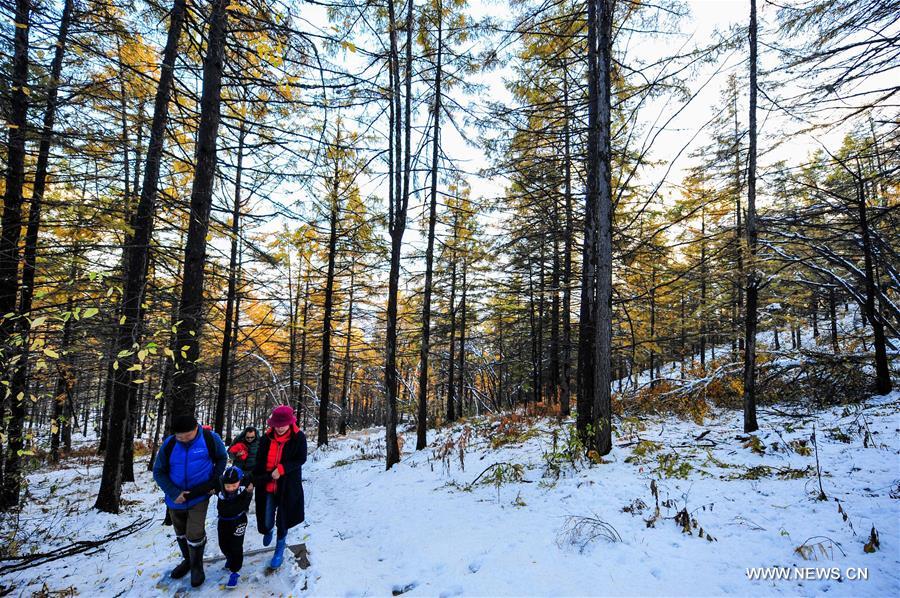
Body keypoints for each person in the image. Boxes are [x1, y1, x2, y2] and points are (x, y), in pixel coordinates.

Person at [153, 414, 227, 588]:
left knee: (194, 532)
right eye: (180, 437)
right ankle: (187, 560)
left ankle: (197, 566)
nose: (184, 440)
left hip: (199, 495)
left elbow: (222, 458)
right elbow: (158, 471)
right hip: (175, 499)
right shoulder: (170, 444)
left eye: (187, 436)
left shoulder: (210, 439)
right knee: (180, 532)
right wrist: (173, 492)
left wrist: (214, 481)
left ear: (196, 428)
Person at [253, 405, 307, 569]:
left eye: (283, 424)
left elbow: (301, 459)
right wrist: (253, 479)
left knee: (283, 520)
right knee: (266, 517)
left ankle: (279, 550)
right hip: (267, 485)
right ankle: (267, 529)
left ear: (290, 422)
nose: (280, 427)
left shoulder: (299, 438)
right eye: (277, 424)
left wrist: (282, 469)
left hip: (287, 487)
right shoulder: (265, 438)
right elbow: (259, 461)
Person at [216, 466, 254, 589]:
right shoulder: (220, 489)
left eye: (234, 486)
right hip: (223, 521)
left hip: (238, 521)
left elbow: (256, 475)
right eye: (228, 486)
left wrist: (249, 492)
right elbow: (208, 486)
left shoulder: (244, 489)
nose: (231, 489)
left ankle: (235, 571)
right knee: (223, 544)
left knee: (236, 546)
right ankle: (229, 557)